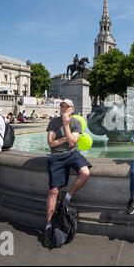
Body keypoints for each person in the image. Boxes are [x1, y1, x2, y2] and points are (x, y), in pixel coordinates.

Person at [43, 99, 92, 248]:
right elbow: (50, 143)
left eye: (67, 106)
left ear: (73, 108)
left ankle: (68, 196)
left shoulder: (76, 122)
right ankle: (48, 224)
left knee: (85, 173)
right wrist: (64, 137)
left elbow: (72, 144)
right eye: (62, 106)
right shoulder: (53, 122)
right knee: (53, 190)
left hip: (72, 154)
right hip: (56, 156)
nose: (64, 108)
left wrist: (65, 126)